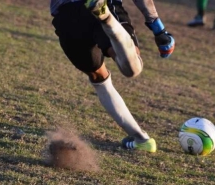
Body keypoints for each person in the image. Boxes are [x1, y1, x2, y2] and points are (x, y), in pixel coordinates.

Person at [49, 0, 175, 153]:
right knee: (131, 67)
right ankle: (107, 19)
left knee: (99, 78)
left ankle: (141, 139)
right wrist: (158, 29)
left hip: (66, 16)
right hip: (101, 3)